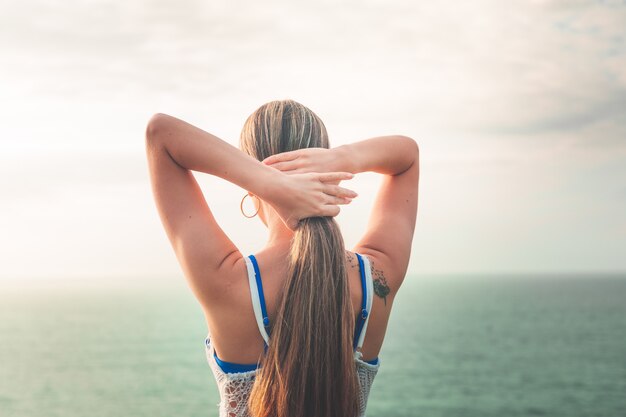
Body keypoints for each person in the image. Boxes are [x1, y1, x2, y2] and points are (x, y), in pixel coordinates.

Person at [145, 99, 419, 417]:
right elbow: (407, 155)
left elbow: (160, 134)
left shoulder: (230, 281)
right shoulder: (375, 278)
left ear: (249, 179)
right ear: (329, 170)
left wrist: (267, 182)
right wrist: (342, 158)